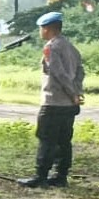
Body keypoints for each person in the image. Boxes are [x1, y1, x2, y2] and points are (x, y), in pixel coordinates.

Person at [17, 11, 84, 189]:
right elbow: (80, 71)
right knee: (64, 141)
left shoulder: (51, 47)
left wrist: (72, 93)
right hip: (69, 104)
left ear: (48, 29)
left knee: (46, 139)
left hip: (54, 101)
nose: (40, 31)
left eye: (41, 28)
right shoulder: (70, 46)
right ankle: (61, 176)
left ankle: (41, 177)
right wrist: (77, 92)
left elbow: (58, 73)